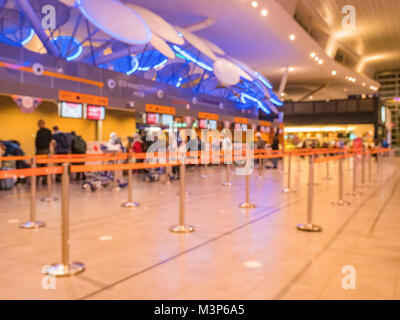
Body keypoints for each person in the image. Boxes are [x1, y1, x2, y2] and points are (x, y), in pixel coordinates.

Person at [35, 120, 52, 185]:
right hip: (46, 150)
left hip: (40, 150)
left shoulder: (39, 131)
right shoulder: (49, 131)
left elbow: (37, 142)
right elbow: (50, 140)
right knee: (45, 166)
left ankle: (36, 181)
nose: (38, 126)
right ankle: (45, 181)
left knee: (38, 166)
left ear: (40, 124)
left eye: (38, 124)